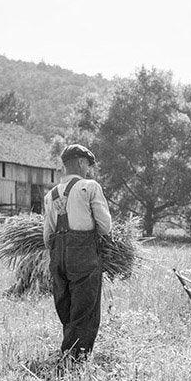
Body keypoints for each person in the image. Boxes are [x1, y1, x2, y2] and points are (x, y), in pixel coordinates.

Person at [42, 143, 113, 360]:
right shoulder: (90, 187)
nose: (88, 170)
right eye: (88, 166)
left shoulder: (51, 194)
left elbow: (47, 235)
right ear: (81, 163)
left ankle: (68, 351)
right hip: (83, 254)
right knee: (86, 307)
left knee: (67, 304)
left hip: (58, 256)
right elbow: (105, 225)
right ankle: (75, 358)